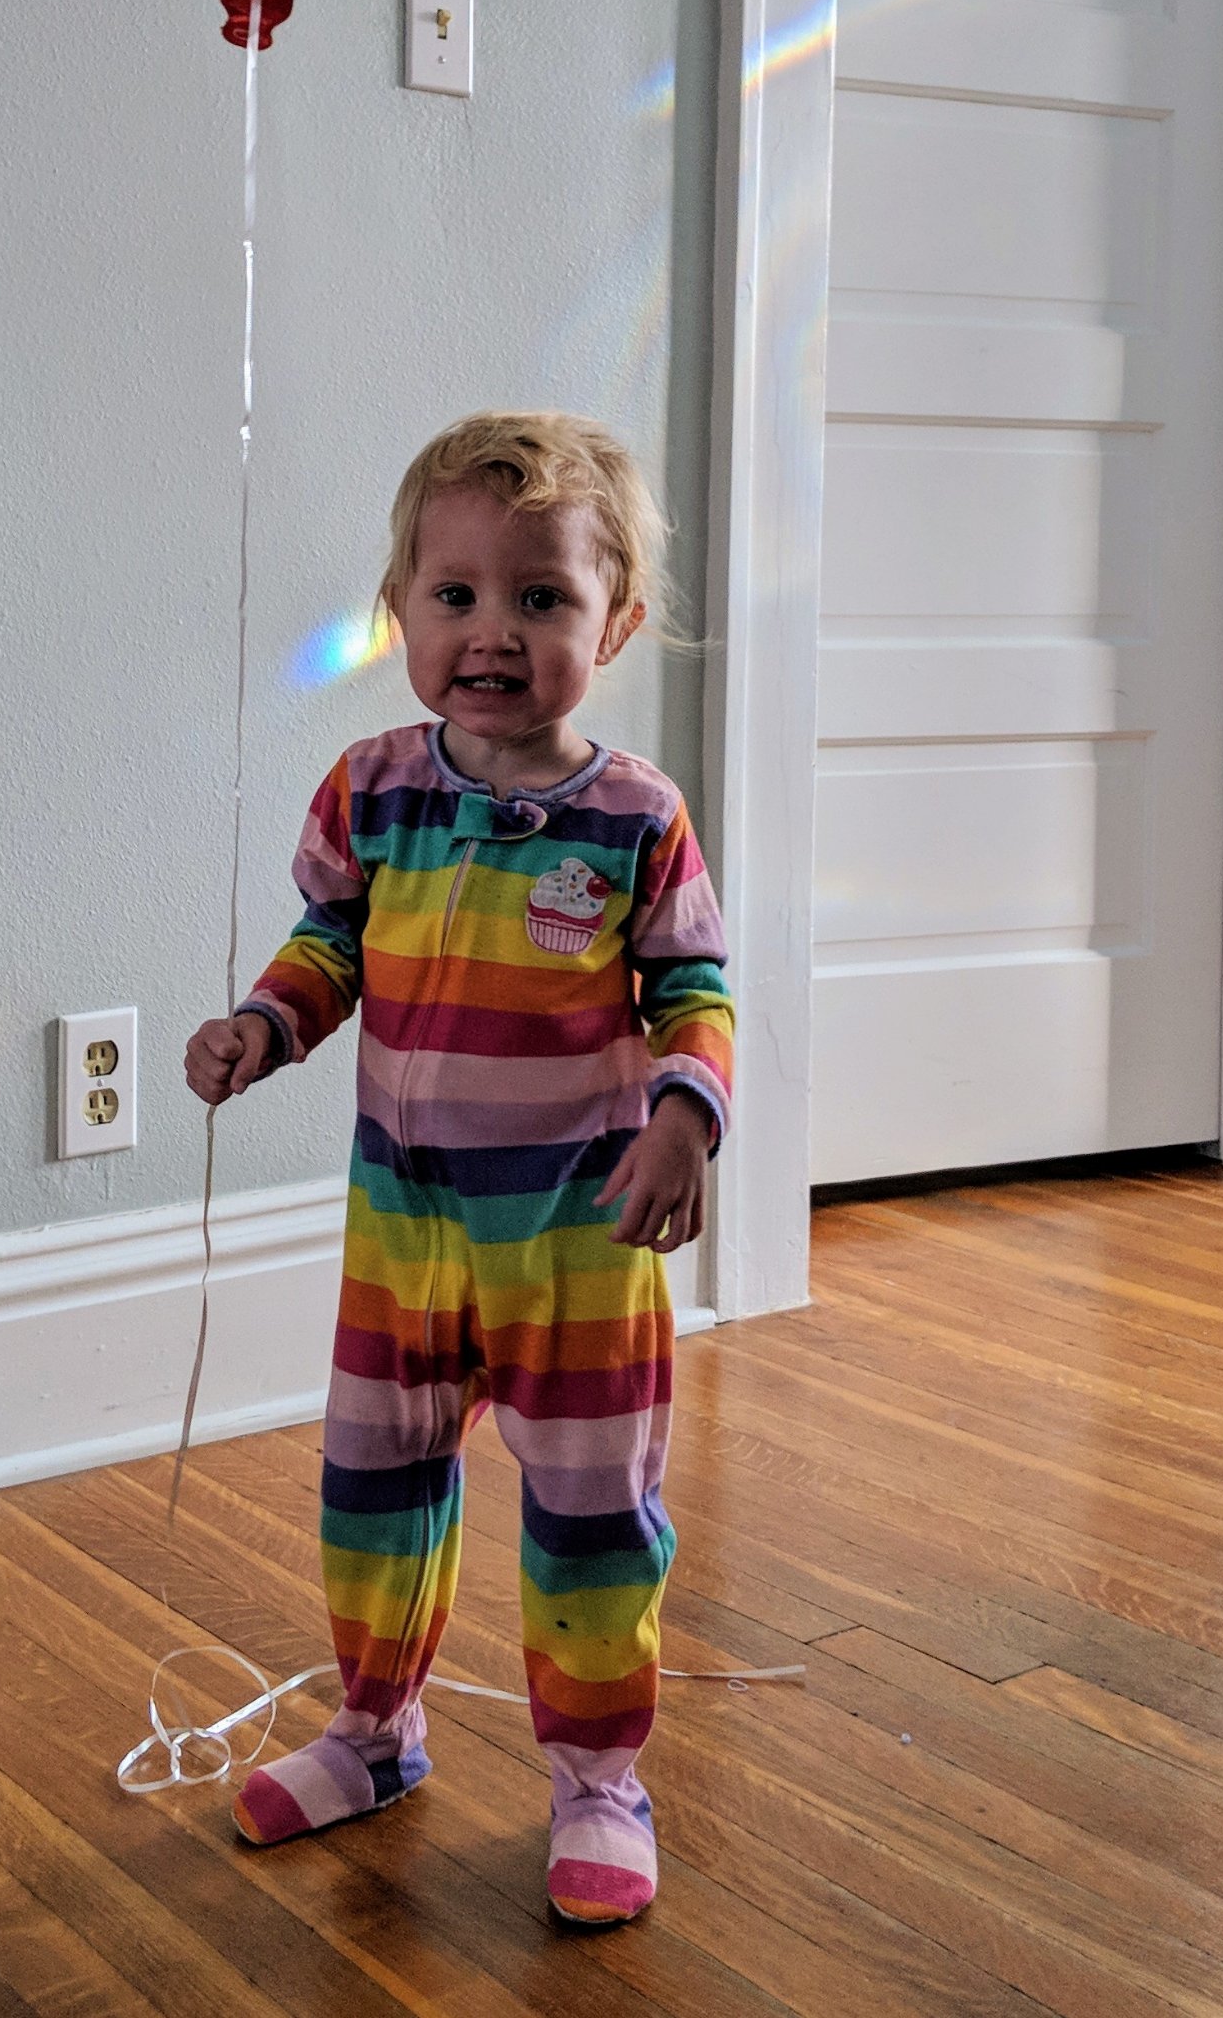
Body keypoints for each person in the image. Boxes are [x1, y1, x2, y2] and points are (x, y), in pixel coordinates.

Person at [184, 410, 734, 1928]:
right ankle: (373, 1733)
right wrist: (262, 1026)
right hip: (403, 1235)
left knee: (592, 1517)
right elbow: (331, 944)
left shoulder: (636, 819)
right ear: (399, 612)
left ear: (613, 625)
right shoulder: (370, 791)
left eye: (541, 598)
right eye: (456, 595)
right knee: (376, 1494)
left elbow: (693, 990)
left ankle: (598, 1781)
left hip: (575, 1244)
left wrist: (683, 1118)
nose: (493, 632)